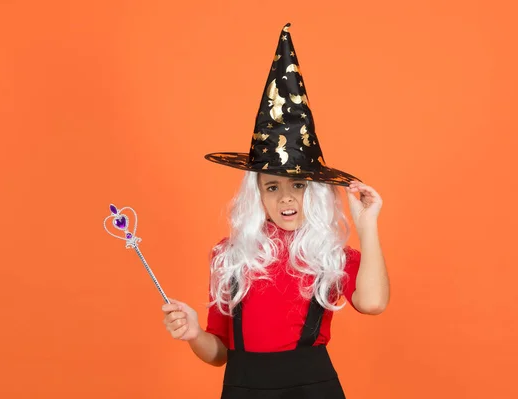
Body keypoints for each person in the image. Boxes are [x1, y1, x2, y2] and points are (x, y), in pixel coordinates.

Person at [162, 23, 390, 399]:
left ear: (314, 192)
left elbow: (374, 302)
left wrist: (367, 226)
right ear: (258, 196)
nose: (286, 198)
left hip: (313, 389)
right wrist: (193, 334)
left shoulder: (330, 255)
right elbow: (219, 354)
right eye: (273, 187)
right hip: (242, 388)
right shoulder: (229, 257)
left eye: (298, 185)